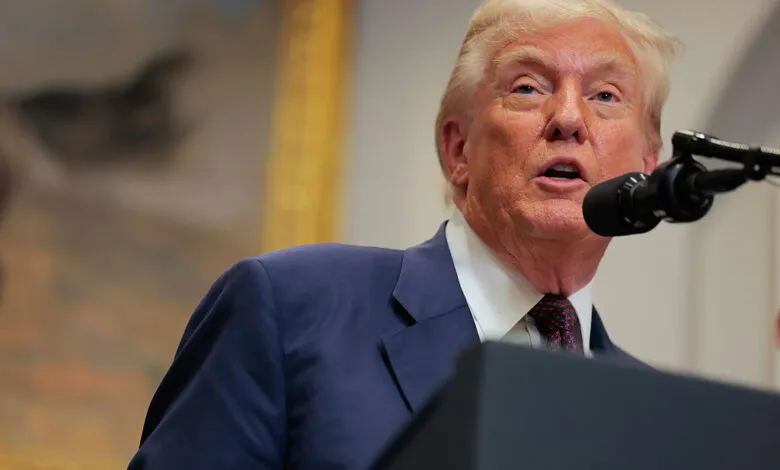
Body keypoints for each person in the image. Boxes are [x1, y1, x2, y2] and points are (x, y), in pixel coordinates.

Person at [128, 0, 680, 468]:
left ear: (648, 166)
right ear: (458, 149)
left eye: (606, 95)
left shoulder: (662, 419)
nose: (568, 117)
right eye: (529, 87)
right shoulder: (289, 307)